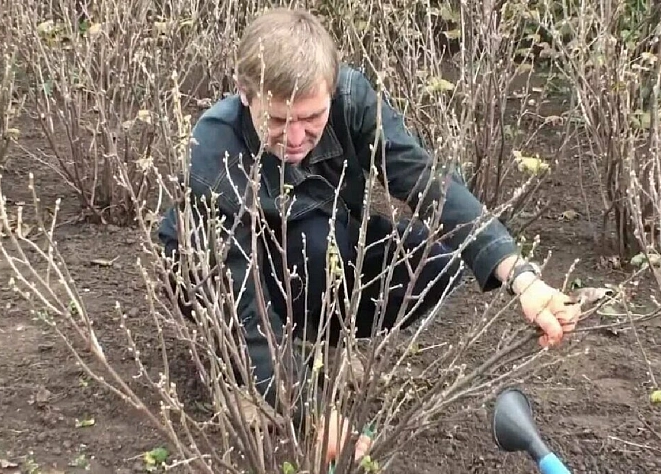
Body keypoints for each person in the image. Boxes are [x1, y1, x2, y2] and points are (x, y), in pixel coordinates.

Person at [157, 7, 582, 466]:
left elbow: (427, 183)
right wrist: (311, 413)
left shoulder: (351, 99)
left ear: (331, 89)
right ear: (246, 94)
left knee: (435, 263)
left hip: (318, 254)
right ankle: (246, 378)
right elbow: (238, 298)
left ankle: (314, 345)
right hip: (226, 277)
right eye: (279, 120)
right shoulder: (215, 145)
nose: (297, 137)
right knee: (312, 248)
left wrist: (521, 276)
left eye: (312, 116)